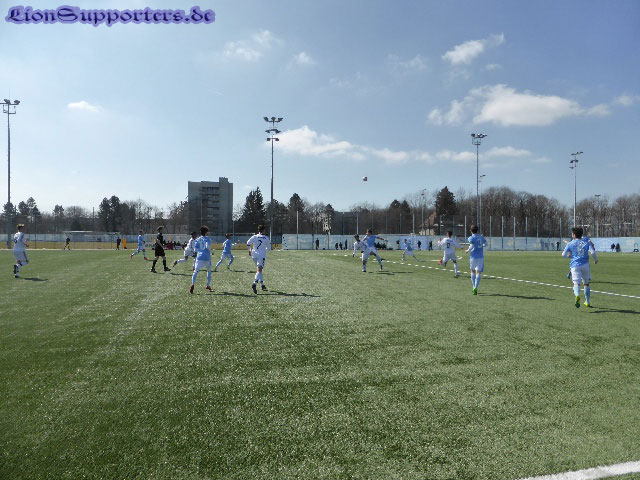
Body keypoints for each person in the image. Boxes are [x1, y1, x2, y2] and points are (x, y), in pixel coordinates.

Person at [562, 227, 598, 308]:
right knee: (586, 283)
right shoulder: (586, 242)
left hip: (575, 266)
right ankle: (587, 301)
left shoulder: (570, 243)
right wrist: (596, 260)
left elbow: (563, 254)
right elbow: (592, 252)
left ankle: (577, 295)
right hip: (585, 265)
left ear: (574, 235)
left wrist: (569, 256)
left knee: (576, 283)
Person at [247, 224, 271, 293]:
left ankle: (262, 284)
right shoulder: (266, 238)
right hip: (261, 256)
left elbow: (248, 243)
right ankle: (254, 283)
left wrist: (249, 251)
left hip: (254, 255)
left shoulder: (254, 236)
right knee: (259, 270)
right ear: (264, 230)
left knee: (259, 270)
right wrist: (265, 248)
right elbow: (269, 249)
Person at [465, 225, 488, 295]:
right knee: (478, 272)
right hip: (480, 257)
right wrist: (481, 246)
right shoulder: (481, 237)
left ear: (471, 230)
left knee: (472, 271)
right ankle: (476, 287)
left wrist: (467, 250)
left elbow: (471, 246)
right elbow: (486, 244)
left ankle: (473, 287)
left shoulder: (471, 238)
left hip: (473, 257)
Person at [190, 226, 213, 293]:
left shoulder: (198, 239)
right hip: (207, 257)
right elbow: (207, 246)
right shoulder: (208, 239)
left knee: (196, 271)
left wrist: (198, 252)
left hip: (199, 257)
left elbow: (195, 249)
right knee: (209, 271)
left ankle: (192, 284)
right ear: (206, 232)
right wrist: (212, 251)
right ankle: (208, 285)